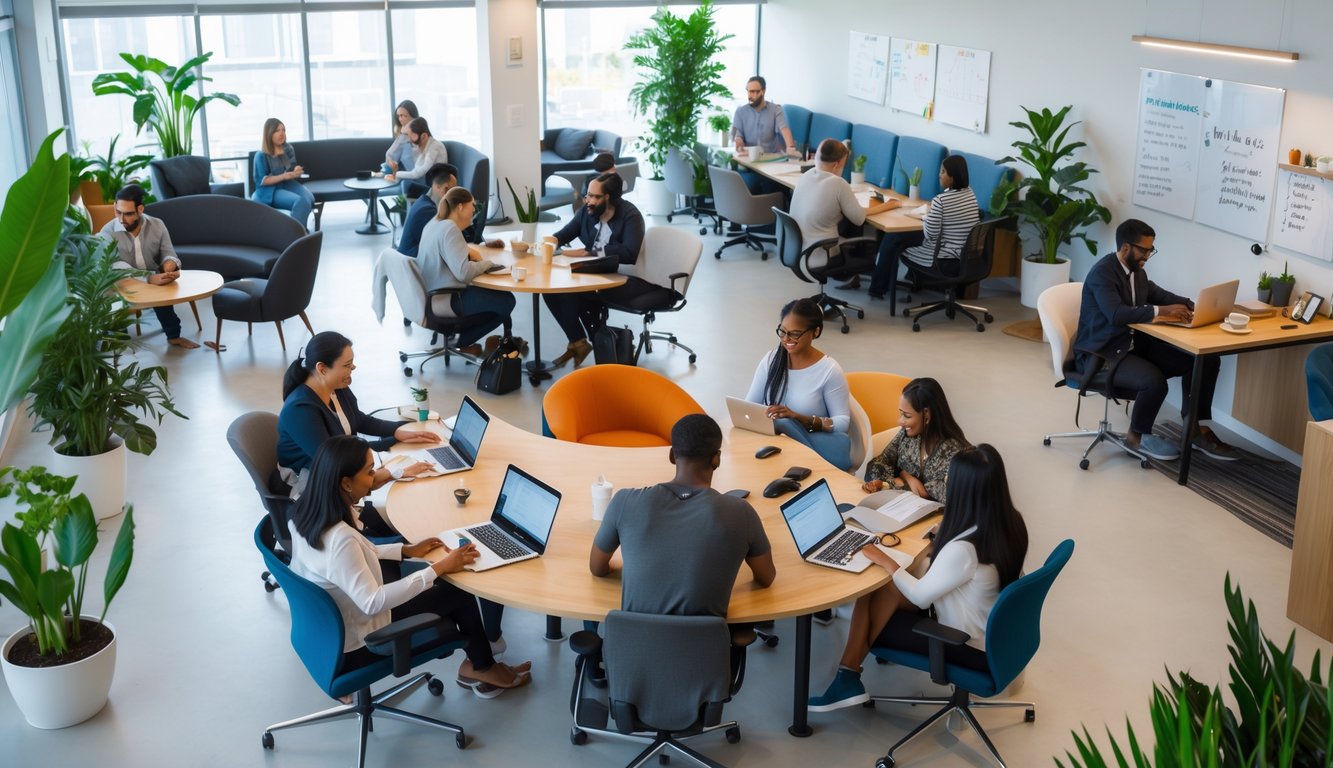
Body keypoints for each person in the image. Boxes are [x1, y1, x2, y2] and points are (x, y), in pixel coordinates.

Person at [287, 435, 532, 699]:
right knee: (458, 593)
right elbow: (372, 601)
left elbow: (349, 559)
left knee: (440, 584)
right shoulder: (341, 537)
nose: (374, 478)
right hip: (360, 644)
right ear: (346, 483)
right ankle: (483, 667)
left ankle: (479, 663)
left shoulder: (304, 513)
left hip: (326, 633)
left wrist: (405, 550)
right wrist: (438, 568)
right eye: (369, 472)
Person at [808, 444, 1029, 711]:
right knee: (878, 590)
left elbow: (920, 597)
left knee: (874, 618)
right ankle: (847, 677)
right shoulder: (1011, 522)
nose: (946, 481)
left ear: (963, 490)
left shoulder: (964, 549)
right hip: (992, 634)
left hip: (963, 644)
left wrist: (885, 560)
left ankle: (846, 678)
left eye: (949, 479)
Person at [1073, 218, 1236, 461]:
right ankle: (1136, 436)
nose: (1148, 255)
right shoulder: (1102, 274)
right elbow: (1116, 315)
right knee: (1154, 381)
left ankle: (1193, 427)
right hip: (1103, 353)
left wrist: (1192, 304)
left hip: (1133, 346)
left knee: (1204, 361)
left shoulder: (1137, 272)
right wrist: (1162, 312)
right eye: (1144, 250)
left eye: (1151, 250)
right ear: (1126, 247)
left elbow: (1158, 294)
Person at [589, 414, 776, 617]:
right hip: (706, 638)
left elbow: (597, 568)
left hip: (630, 637)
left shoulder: (624, 501)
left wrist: (640, 569)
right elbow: (766, 578)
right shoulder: (741, 513)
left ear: (672, 455)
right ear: (717, 459)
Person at [277, 331, 440, 498]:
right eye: (347, 365)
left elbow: (358, 420)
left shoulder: (335, 386)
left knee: (399, 447)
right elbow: (334, 464)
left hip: (342, 464)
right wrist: (396, 472)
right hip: (309, 484)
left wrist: (397, 432)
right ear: (322, 369)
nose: (353, 368)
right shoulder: (299, 410)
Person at [542, 172, 647, 368]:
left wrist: (590, 252)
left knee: (571, 294)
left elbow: (630, 253)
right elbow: (564, 234)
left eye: (594, 196)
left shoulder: (630, 216)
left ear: (608, 198)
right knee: (550, 290)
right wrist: (548, 243)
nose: (588, 201)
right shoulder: (588, 212)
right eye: (587, 195)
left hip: (620, 277)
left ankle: (604, 343)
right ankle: (579, 341)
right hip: (592, 273)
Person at [744, 298, 854, 471]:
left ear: (816, 332)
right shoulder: (771, 360)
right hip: (772, 449)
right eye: (782, 331)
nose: (786, 339)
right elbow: (749, 407)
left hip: (808, 457)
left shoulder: (829, 371)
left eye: (795, 334)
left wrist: (798, 417)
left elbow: (842, 422)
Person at [417, 187, 516, 357]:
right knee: (507, 301)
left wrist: (474, 252)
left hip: (433, 297)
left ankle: (463, 338)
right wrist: (487, 264)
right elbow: (463, 273)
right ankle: (461, 341)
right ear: (461, 207)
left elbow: (451, 253)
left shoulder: (435, 223)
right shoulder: (450, 228)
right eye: (472, 205)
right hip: (448, 300)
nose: (474, 210)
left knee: (497, 296)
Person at [865, 154, 980, 301]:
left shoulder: (941, 200)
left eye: (943, 172)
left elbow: (930, 234)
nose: (939, 175)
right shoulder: (970, 193)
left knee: (893, 238)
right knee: (896, 237)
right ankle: (892, 284)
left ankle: (877, 288)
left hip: (941, 258)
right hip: (963, 256)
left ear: (952, 177)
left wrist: (926, 217)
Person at [99, 183, 198, 349]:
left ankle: (174, 336)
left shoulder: (157, 225)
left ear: (140, 209)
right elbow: (114, 266)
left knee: (163, 287)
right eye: (118, 212)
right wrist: (149, 278)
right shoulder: (107, 232)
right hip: (122, 282)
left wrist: (169, 266)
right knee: (114, 297)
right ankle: (118, 339)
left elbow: (169, 253)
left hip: (153, 277)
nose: (121, 219)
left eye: (128, 214)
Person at [789, 139, 900, 270]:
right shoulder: (838, 183)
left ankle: (849, 277)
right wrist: (888, 205)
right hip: (822, 252)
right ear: (836, 165)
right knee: (872, 244)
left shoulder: (806, 176)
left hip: (798, 249)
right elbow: (859, 219)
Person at [863, 377, 969, 502]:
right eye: (901, 413)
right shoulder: (908, 435)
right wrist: (906, 476)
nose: (900, 421)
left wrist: (900, 481)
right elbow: (878, 464)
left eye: (907, 416)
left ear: (927, 414)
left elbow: (947, 499)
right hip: (900, 507)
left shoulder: (953, 454)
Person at [399, 163, 502, 256]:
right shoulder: (427, 212)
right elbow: (452, 247)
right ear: (445, 188)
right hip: (415, 267)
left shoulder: (427, 203)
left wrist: (484, 246)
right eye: (453, 189)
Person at [732, 76, 798, 194]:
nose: (751, 95)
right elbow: (738, 135)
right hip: (749, 164)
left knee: (777, 187)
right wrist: (738, 141)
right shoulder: (741, 112)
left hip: (770, 163)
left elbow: (784, 129)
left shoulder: (775, 109)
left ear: (763, 91)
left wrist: (791, 147)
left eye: (755, 92)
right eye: (749, 91)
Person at [252, 117, 316, 230]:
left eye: (283, 130)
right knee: (300, 202)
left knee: (309, 198)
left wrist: (295, 169)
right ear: (269, 134)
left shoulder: (288, 148)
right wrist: (285, 176)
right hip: (269, 190)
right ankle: (296, 234)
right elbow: (263, 181)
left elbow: (291, 166)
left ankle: (299, 230)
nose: (282, 134)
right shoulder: (261, 155)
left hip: (285, 184)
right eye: (277, 131)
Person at [386, 116, 448, 199]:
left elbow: (418, 173)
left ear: (424, 136)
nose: (410, 141)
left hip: (436, 188)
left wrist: (396, 174)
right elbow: (416, 169)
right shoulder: (425, 145)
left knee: (406, 184)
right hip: (428, 182)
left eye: (412, 137)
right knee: (404, 183)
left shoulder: (435, 147)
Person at [384, 99, 419, 174]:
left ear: (413, 116)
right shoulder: (403, 136)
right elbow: (390, 155)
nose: (400, 119)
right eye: (399, 116)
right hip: (406, 172)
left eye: (404, 116)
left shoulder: (412, 135)